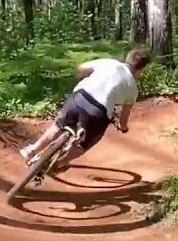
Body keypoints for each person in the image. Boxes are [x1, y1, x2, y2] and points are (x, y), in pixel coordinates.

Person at [20, 48, 151, 172]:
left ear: (127, 58)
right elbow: (124, 118)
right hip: (97, 112)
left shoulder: (109, 63)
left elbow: (81, 68)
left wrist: (82, 78)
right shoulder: (133, 88)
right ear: (141, 69)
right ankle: (59, 164)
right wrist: (123, 128)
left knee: (57, 126)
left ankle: (31, 150)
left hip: (79, 97)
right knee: (85, 144)